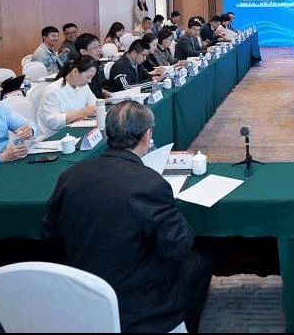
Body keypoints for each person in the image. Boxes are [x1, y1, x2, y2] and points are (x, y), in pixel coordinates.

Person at [42, 101, 213, 333]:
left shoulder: (70, 175)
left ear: (107, 134)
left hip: (82, 288)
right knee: (200, 261)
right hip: (137, 304)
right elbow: (178, 247)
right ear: (147, 135)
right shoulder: (150, 183)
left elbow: (49, 235)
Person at [36, 55, 99, 139]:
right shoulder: (52, 90)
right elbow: (52, 121)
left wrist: (91, 110)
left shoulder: (83, 86)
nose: (89, 81)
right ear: (75, 72)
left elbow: (94, 103)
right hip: (53, 136)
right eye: (88, 77)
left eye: (91, 77)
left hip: (75, 130)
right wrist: (82, 112)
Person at [73, 33, 111, 99]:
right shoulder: (80, 70)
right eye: (94, 47)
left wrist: (102, 91)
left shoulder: (94, 64)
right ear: (83, 51)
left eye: (99, 46)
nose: (99, 50)